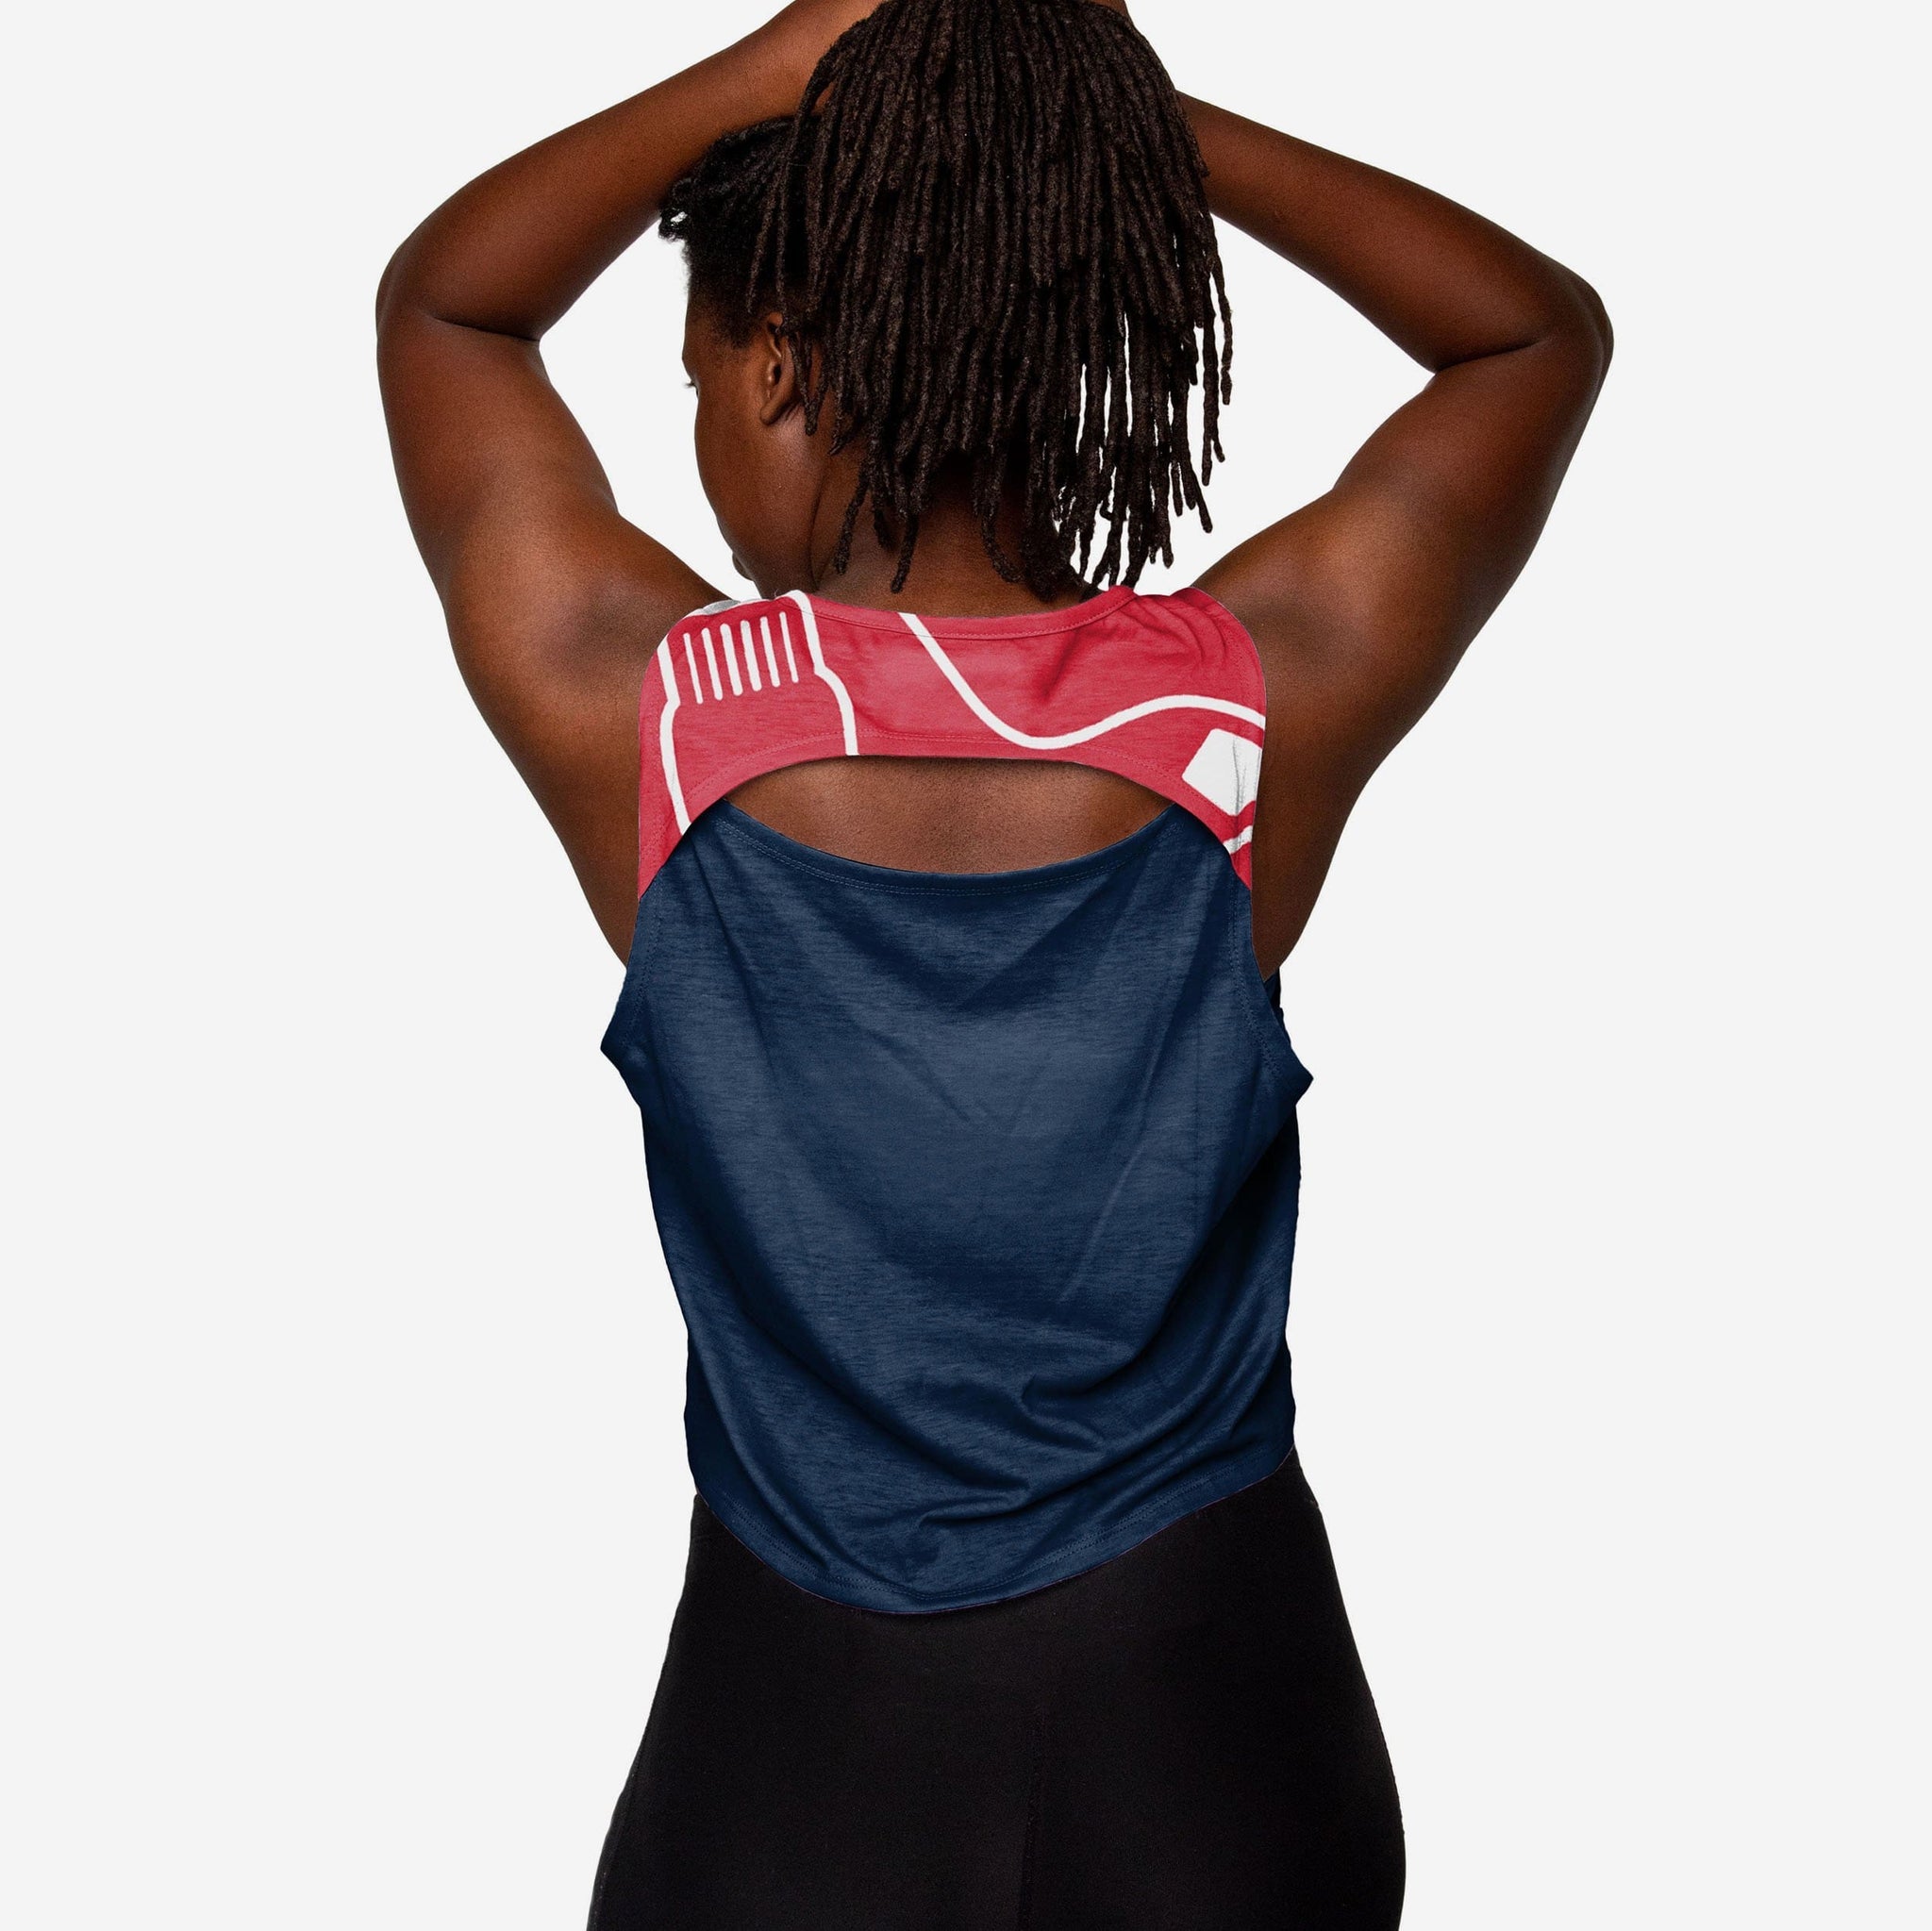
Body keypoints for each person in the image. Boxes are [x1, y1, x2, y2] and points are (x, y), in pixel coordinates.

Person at [375, 0, 1609, 1922]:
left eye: (699, 378)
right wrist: (1087, 110)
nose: (698, 435)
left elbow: (449, 307)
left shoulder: (646, 715)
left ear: (780, 368)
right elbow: (1529, 333)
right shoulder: (1256, 697)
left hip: (796, 1744)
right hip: (1215, 1723)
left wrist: (796, 61)